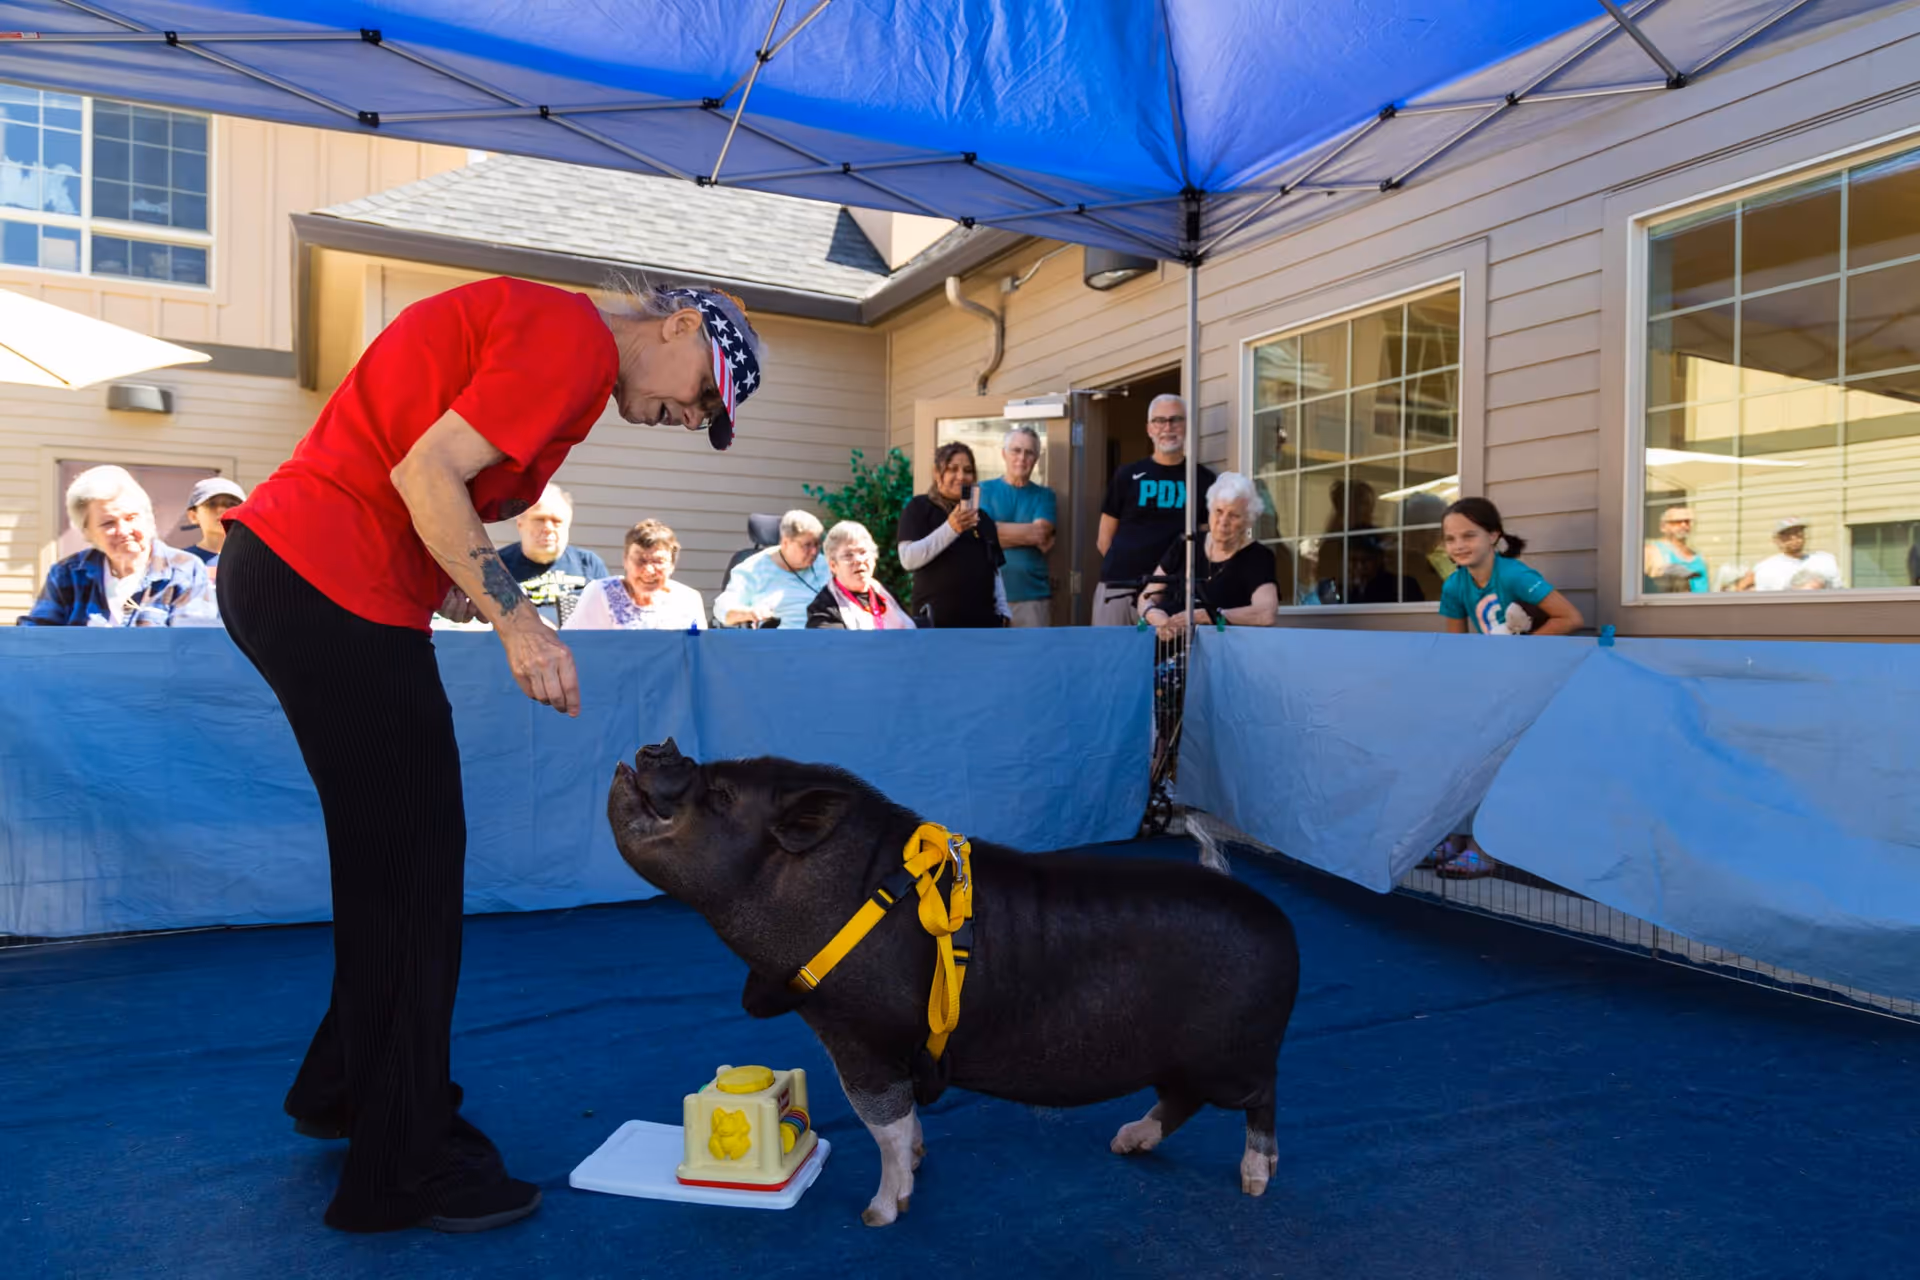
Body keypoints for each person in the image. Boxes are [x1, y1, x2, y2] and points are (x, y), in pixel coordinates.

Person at [215, 274, 763, 1234]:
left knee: (396, 868)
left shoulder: (553, 340)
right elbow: (423, 475)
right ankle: (403, 1166)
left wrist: (461, 587)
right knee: (414, 875)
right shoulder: (575, 340)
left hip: (300, 573)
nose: (696, 417)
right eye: (708, 389)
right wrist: (519, 624)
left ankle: (348, 1088)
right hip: (325, 582)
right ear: (677, 325)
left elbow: (417, 471)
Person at [1430, 497, 1583, 878]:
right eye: (1450, 539)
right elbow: (1456, 645)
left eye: (1469, 535)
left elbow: (1570, 618)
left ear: (1493, 536)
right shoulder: (1455, 584)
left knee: (1501, 768)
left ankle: (1485, 848)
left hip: (1526, 687)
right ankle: (1457, 836)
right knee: (1466, 759)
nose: (1459, 545)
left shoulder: (1514, 575)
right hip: (1486, 689)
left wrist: (1517, 651)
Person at [18, 464, 218, 627]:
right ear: (87, 532)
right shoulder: (67, 574)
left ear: (148, 518)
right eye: (108, 523)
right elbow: (36, 639)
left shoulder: (185, 569)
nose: (123, 530)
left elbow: (194, 647)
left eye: (131, 517)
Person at [1095, 394, 1217, 625]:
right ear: (1149, 428)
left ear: (1187, 425)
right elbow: (1104, 539)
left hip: (1171, 596)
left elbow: (1205, 540)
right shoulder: (1127, 475)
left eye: (1175, 420)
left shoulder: (1203, 480)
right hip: (1118, 589)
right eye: (1159, 421)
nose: (1167, 427)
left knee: (1161, 660)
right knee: (1110, 658)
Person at [1138, 472, 1278, 639]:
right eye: (1218, 511)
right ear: (1210, 510)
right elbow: (1147, 596)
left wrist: (1207, 616)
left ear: (1248, 521)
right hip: (1170, 649)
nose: (1223, 521)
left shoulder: (1258, 557)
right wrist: (1157, 618)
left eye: (1233, 515)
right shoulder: (1186, 544)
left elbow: (1265, 613)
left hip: (1224, 651)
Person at [897, 441, 1010, 628]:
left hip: (983, 627)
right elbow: (908, 559)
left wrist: (1004, 611)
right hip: (936, 626)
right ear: (937, 473)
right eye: (952, 469)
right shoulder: (919, 508)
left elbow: (994, 570)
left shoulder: (982, 518)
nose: (961, 476)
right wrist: (951, 529)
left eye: (967, 470)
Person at [564, 519, 707, 631]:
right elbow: (574, 642)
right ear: (625, 561)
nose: (649, 570)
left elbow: (697, 650)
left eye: (658, 561)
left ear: (672, 565)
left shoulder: (688, 599)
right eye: (640, 560)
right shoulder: (601, 592)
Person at [977, 426, 1056, 627]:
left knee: (1033, 658)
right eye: (1016, 450)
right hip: (988, 596)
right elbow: (980, 536)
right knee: (994, 658)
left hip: (1033, 598)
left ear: (1036, 458)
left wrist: (995, 531)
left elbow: (1040, 535)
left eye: (1029, 452)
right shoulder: (983, 490)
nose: (1022, 457)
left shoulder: (1044, 496)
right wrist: (1025, 533)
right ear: (1004, 454)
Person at [496, 483, 608, 625]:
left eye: (556, 521)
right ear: (520, 523)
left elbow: (608, 620)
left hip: (580, 645)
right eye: (539, 519)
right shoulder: (497, 566)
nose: (548, 528)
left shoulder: (589, 564)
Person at [712, 509, 829, 629]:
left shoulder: (825, 565)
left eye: (817, 544)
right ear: (785, 543)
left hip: (826, 639)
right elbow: (723, 608)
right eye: (807, 545)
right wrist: (749, 613)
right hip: (778, 642)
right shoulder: (753, 569)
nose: (814, 551)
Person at [806, 520, 917, 630]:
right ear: (833, 565)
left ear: (874, 558)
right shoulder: (822, 608)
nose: (858, 560)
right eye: (848, 555)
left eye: (863, 552)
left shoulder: (886, 595)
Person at [1735, 518, 1842, 592]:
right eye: (1787, 535)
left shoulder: (1824, 560)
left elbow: (1838, 590)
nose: (1794, 538)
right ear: (1777, 540)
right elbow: (1741, 590)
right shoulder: (1765, 567)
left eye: (1798, 533)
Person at [180, 476, 247, 574]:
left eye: (232, 504)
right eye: (211, 504)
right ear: (193, 516)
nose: (222, 510)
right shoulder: (181, 561)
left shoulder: (255, 560)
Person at [1644, 505, 1709, 594]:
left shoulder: (1699, 556)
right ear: (1663, 526)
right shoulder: (1651, 552)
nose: (1683, 525)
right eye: (1677, 522)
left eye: (1687, 521)